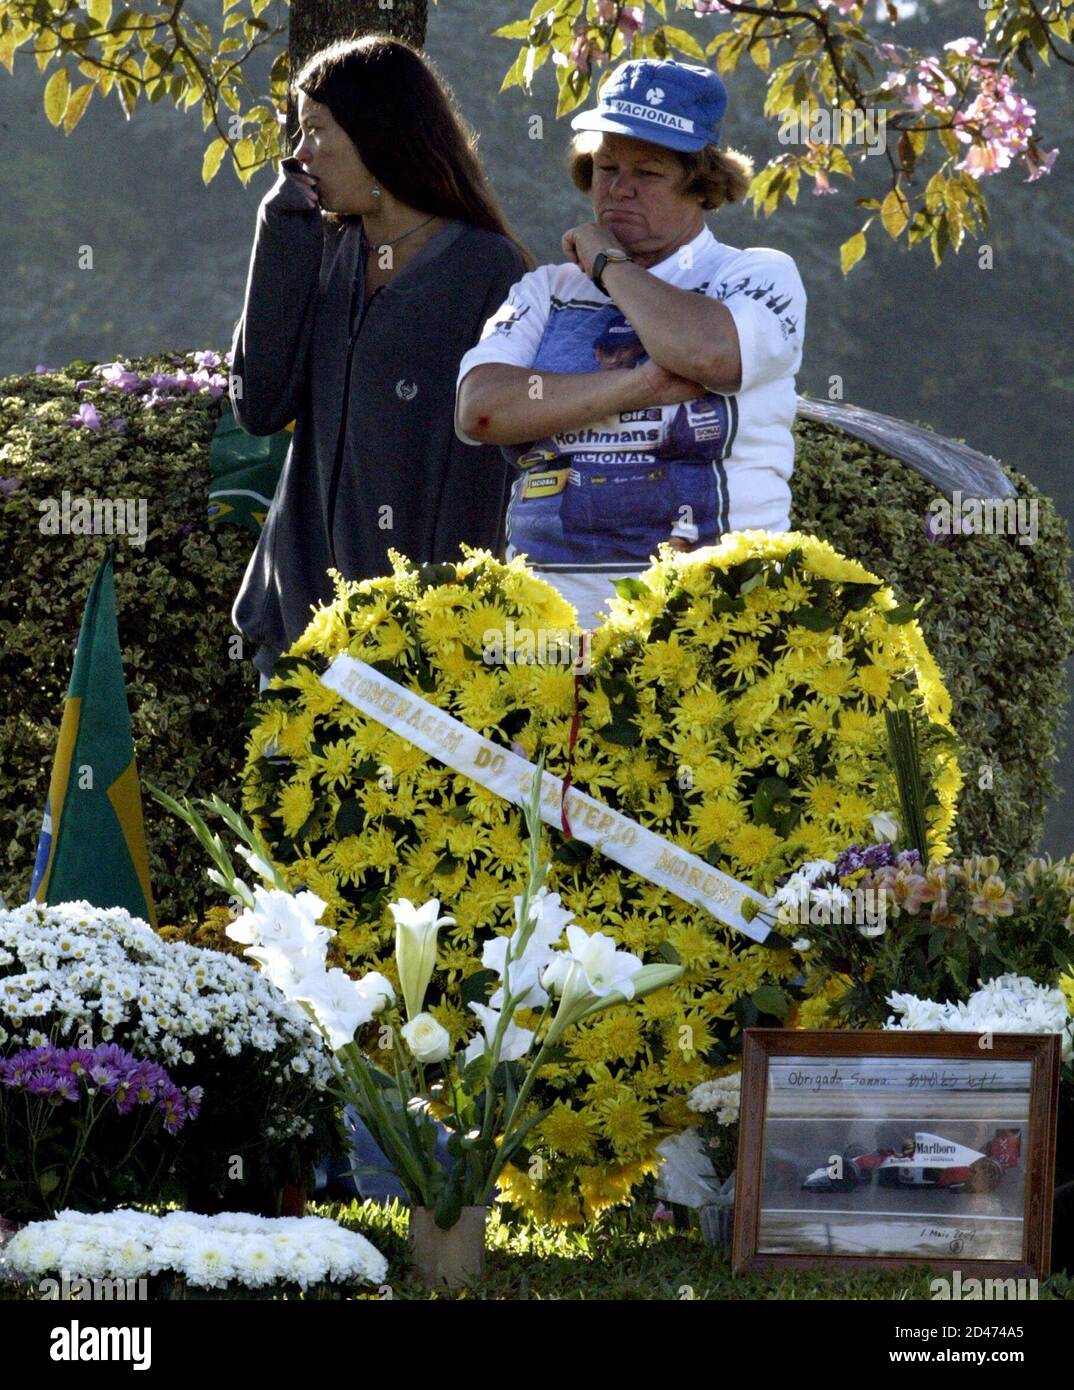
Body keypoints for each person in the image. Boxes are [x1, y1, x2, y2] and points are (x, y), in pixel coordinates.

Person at [455, 59, 807, 629]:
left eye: (647, 173)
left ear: (703, 182)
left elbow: (708, 355)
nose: (618, 189)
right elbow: (482, 411)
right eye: (605, 167)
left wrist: (609, 263)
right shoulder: (546, 288)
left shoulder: (758, 275)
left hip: (719, 620)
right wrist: (639, 385)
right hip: (547, 625)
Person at [229, 36, 532, 689]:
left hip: (419, 651)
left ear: (378, 132)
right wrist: (279, 238)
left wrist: (442, 629)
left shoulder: (485, 269)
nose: (299, 155)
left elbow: (487, 477)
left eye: (316, 132)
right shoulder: (321, 247)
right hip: (296, 631)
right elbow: (259, 406)